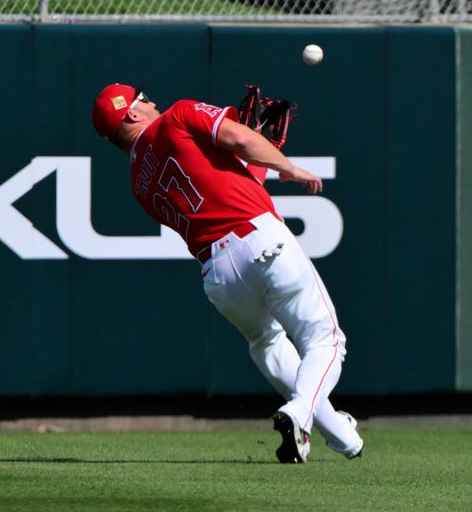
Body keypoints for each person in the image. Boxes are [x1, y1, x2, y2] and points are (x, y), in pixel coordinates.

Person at [92, 83, 363, 463]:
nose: (152, 100)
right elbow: (236, 138)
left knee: (267, 345)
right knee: (326, 339)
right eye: (143, 98)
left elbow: (231, 181)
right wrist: (286, 166)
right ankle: (299, 412)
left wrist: (260, 148)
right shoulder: (178, 114)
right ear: (133, 114)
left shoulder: (138, 183)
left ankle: (341, 436)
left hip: (218, 272)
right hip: (259, 237)